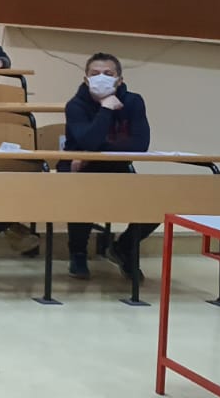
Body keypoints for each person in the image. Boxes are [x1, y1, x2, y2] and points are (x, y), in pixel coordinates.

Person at [62, 53, 155, 281]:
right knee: (84, 191)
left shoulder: (133, 102)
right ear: (86, 79)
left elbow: (140, 144)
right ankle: (78, 253)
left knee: (156, 202)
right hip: (77, 169)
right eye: (95, 74)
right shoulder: (75, 105)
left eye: (108, 74)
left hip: (116, 167)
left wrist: (94, 152)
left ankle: (124, 247)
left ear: (119, 80)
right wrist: (105, 109)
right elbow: (87, 140)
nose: (101, 78)